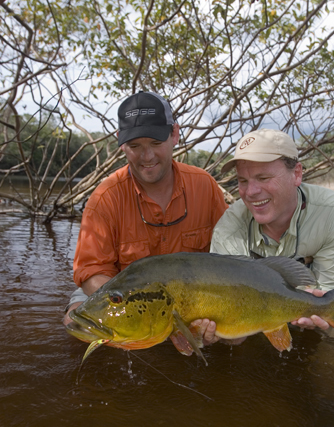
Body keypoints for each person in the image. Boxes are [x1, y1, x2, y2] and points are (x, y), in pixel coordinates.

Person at [197, 128, 334, 347]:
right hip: (253, 313)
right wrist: (219, 334)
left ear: (297, 174)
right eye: (242, 181)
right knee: (229, 343)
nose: (250, 192)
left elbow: (333, 293)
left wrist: (317, 305)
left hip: (311, 308)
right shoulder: (229, 226)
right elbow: (229, 311)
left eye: (263, 178)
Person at [63, 91, 227, 325]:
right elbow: (90, 271)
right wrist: (131, 307)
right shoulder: (104, 198)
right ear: (121, 141)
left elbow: (230, 256)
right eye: (135, 145)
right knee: (76, 322)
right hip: (121, 294)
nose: (147, 156)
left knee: (232, 334)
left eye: (156, 143)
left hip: (192, 294)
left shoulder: (205, 185)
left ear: (175, 134)